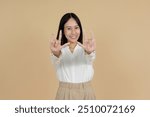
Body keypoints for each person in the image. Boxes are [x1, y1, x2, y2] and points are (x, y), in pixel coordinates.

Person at [49, 13, 96, 100]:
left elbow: (90, 57)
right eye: (69, 28)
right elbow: (56, 60)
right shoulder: (59, 51)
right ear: (62, 30)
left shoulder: (86, 49)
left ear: (80, 29)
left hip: (86, 93)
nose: (73, 32)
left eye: (76, 27)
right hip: (65, 93)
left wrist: (90, 52)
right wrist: (56, 53)